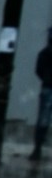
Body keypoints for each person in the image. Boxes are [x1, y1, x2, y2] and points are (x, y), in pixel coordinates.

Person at [36, 31, 52, 163]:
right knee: (44, 119)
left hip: (47, 87)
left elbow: (38, 70)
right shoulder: (45, 53)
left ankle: (38, 148)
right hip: (48, 87)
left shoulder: (45, 53)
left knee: (43, 119)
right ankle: (38, 147)